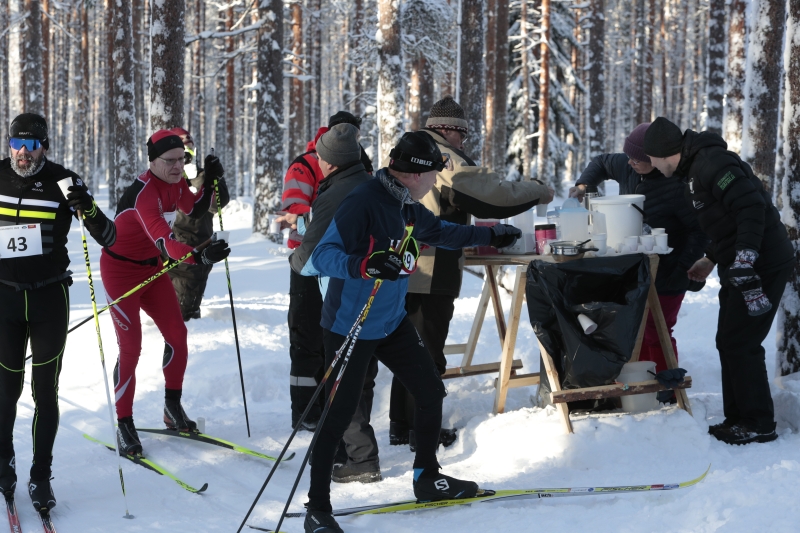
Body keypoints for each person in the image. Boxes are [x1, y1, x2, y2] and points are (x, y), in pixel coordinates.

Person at [301, 131, 522, 533]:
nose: (435, 183)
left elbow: (442, 233)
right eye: (433, 176)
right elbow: (321, 257)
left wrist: (490, 234)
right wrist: (365, 265)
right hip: (351, 324)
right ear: (414, 175)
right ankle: (317, 508)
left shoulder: (407, 205)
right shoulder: (363, 202)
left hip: (390, 320)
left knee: (429, 390)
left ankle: (426, 477)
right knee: (338, 414)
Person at [391, 96, 554, 447]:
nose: (463, 143)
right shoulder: (442, 156)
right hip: (430, 267)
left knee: (408, 346)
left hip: (406, 264)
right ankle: (423, 430)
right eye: (462, 135)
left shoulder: (411, 147)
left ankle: (402, 424)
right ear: (448, 130)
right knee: (426, 350)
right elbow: (489, 194)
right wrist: (537, 192)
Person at [643, 116, 794, 445]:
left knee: (741, 342)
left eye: (650, 158)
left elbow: (751, 208)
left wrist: (745, 258)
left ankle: (758, 423)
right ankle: (739, 418)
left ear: (664, 152)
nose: (650, 165)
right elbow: (724, 221)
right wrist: (711, 258)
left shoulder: (713, 163)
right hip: (740, 263)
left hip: (761, 263)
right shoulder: (693, 172)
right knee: (729, 341)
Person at [0, 113, 116, 513]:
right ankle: (4, 464)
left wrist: (87, 208)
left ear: (44, 148)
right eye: (16, 144)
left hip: (49, 299)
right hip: (4, 300)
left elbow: (109, 236)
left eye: (31, 146)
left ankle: (40, 475)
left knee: (44, 391)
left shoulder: (64, 181)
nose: (23, 153)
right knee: (5, 390)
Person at [101, 129, 230, 456]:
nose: (177, 167)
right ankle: (124, 422)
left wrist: (210, 179)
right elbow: (165, 242)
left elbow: (196, 208)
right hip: (120, 273)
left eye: (182, 160)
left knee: (177, 334)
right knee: (131, 347)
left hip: (152, 269)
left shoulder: (176, 183)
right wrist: (198, 255)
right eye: (169, 161)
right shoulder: (144, 194)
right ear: (153, 161)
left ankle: (172, 407)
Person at [569, 123, 709, 379]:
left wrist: (681, 269)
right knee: (634, 327)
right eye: (629, 157)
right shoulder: (627, 165)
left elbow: (701, 232)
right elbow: (601, 162)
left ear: (655, 159)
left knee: (658, 330)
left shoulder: (678, 185)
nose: (631, 162)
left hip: (670, 267)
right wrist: (583, 185)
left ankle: (666, 386)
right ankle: (640, 384)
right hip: (634, 267)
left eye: (638, 159)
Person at [284, 124, 379, 483]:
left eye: (321, 156)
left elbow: (309, 254)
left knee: (343, 376)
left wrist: (295, 258)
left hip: (345, 296)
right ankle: (347, 447)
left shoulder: (339, 191)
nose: (317, 161)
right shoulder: (368, 182)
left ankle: (359, 456)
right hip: (369, 293)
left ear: (333, 161)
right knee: (356, 375)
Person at [166, 127, 230, 321]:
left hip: (198, 246)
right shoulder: (167, 175)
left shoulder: (201, 175)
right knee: (173, 309)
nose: (188, 149)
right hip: (171, 249)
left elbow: (219, 203)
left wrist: (214, 178)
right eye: (183, 143)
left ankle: (192, 329)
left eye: (190, 143)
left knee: (187, 308)